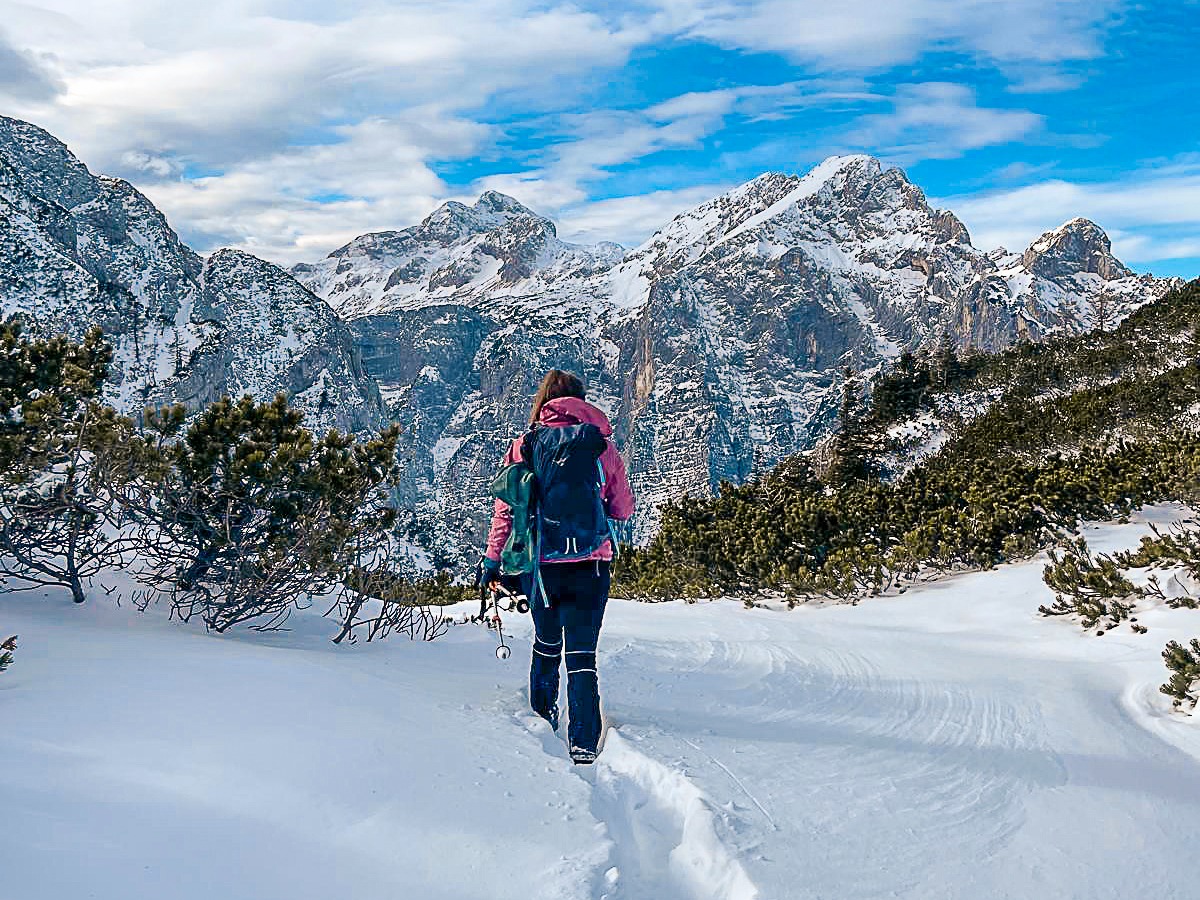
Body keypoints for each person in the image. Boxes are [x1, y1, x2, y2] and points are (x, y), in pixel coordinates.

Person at [479, 370, 634, 764]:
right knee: (583, 656)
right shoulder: (601, 447)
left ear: (544, 402)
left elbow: (505, 511)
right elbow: (623, 508)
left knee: (547, 645)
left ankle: (542, 722)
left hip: (542, 567)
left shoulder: (525, 446)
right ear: (583, 402)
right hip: (592, 565)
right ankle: (583, 744)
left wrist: (493, 559)